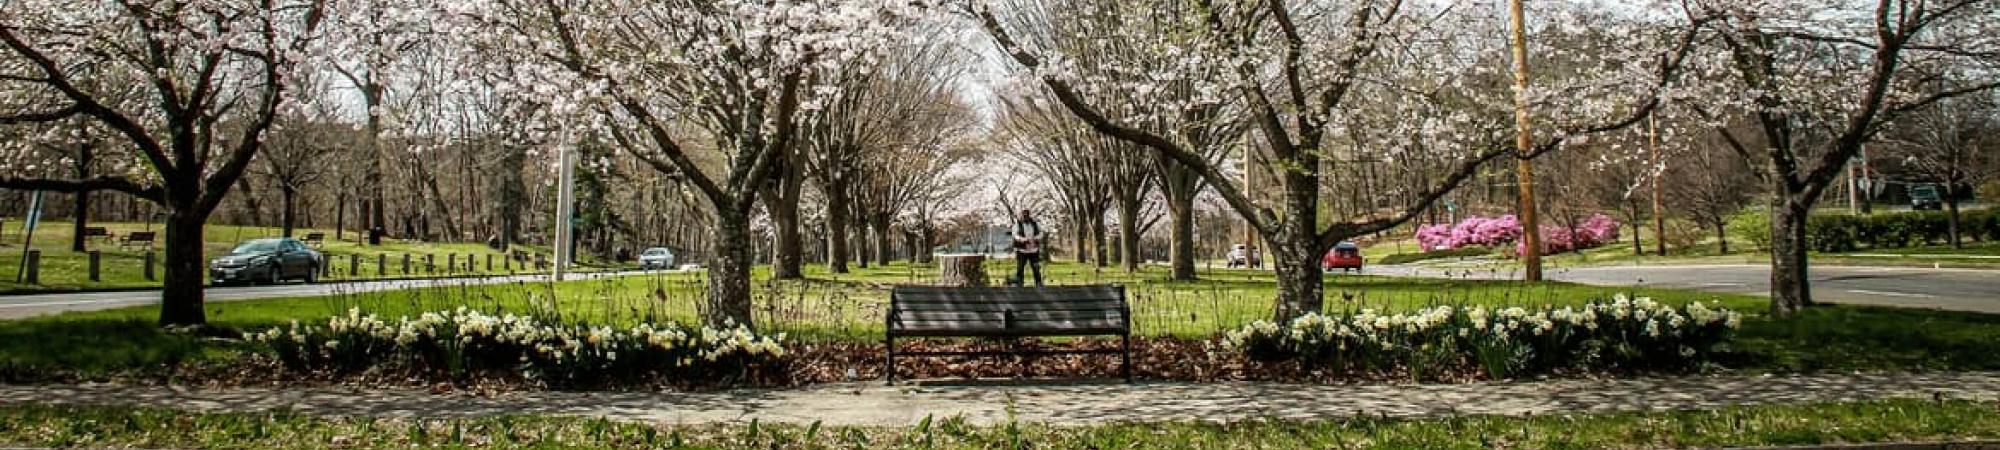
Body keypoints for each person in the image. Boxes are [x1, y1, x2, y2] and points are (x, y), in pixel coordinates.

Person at [1011, 209, 1046, 287]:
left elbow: (1041, 233)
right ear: (1021, 216)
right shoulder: (1017, 224)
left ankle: (1038, 283)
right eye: (1024, 215)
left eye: (1027, 215)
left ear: (1029, 215)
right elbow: (1015, 235)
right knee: (1020, 267)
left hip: (1033, 250)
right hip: (1022, 250)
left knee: (1036, 267)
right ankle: (1020, 283)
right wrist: (1023, 240)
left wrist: (1036, 238)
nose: (1025, 217)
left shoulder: (1035, 224)